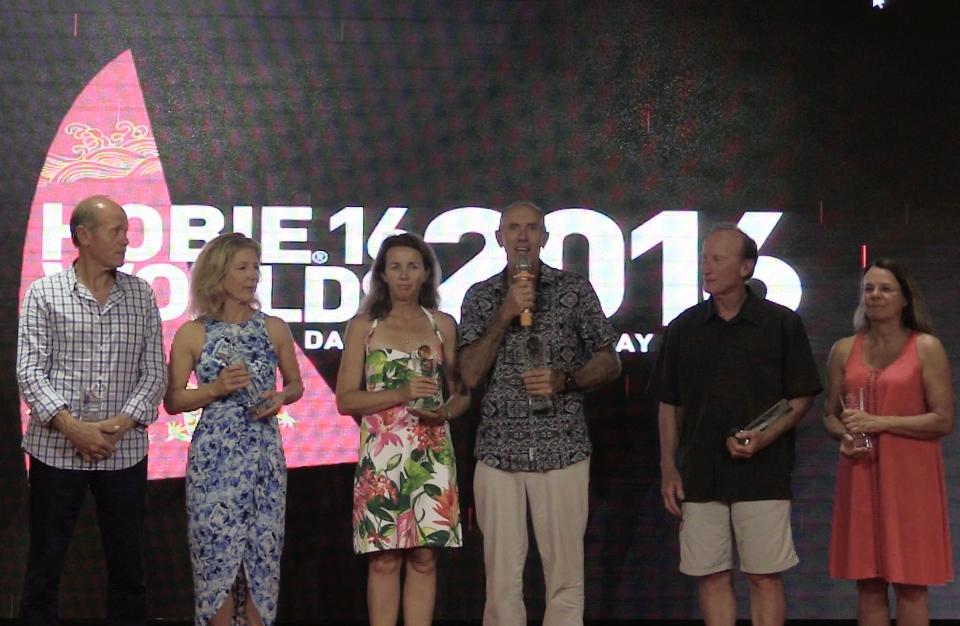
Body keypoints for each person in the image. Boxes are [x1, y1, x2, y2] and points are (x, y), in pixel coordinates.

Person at [647, 223, 821, 626]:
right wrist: (668, 467)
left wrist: (763, 438)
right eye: (704, 259)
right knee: (710, 575)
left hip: (764, 472)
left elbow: (801, 396)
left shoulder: (781, 324)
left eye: (718, 259)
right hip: (700, 474)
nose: (706, 268)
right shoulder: (684, 327)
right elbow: (669, 403)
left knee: (763, 575)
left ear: (746, 268)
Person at [458, 200, 621, 626]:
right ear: (499, 238)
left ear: (545, 238)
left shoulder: (574, 289)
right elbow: (469, 373)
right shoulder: (480, 296)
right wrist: (505, 313)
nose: (522, 237)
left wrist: (566, 379)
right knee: (501, 582)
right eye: (514, 228)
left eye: (531, 228)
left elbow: (610, 362)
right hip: (499, 452)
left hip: (563, 448)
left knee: (566, 579)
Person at [16, 195, 166, 626]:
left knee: (129, 568)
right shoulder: (44, 293)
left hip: (124, 452)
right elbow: (29, 371)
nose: (126, 240)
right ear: (84, 236)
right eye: (117, 230)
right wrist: (73, 428)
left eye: (126, 231)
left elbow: (155, 372)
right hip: (54, 451)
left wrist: (120, 424)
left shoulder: (141, 294)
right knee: (45, 566)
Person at [165, 233, 303, 626]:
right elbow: (173, 400)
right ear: (218, 274)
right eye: (242, 267)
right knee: (216, 561)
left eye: (255, 267)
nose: (252, 276)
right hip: (214, 462)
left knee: (262, 558)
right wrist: (215, 389)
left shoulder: (274, 328)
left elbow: (296, 384)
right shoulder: (193, 333)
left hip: (263, 458)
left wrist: (281, 397)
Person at [336, 232, 469, 626]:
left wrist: (445, 412)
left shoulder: (442, 325)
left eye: (413, 266)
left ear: (427, 272)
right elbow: (346, 399)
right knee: (384, 559)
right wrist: (401, 392)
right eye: (395, 267)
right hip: (382, 456)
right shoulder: (364, 326)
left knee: (425, 558)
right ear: (382, 274)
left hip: (432, 453)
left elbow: (462, 393)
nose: (405, 275)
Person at [824, 259, 953, 626]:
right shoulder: (843, 349)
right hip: (860, 476)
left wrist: (880, 423)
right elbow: (830, 415)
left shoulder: (926, 347)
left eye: (885, 289)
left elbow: (943, 420)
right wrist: (845, 434)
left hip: (912, 482)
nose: (875, 295)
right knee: (868, 584)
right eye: (869, 289)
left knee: (911, 585)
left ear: (905, 298)